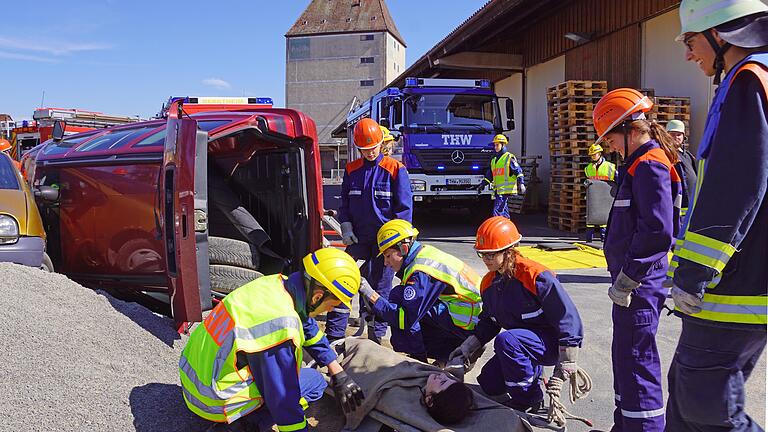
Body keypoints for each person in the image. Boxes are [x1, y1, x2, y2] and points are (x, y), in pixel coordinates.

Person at [666, 2, 768, 431]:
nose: (689, 54)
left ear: (720, 34)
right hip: (745, 281)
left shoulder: (747, 81)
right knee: (688, 396)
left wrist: (693, 272)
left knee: (707, 408)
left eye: (690, 41)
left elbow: (736, 187)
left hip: (734, 288)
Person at [179, 248, 366, 432]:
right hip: (212, 401)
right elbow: (283, 397)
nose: (332, 310)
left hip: (194, 382)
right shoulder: (279, 327)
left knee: (305, 380)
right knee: (311, 383)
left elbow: (307, 326)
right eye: (333, 304)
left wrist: (338, 372)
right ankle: (244, 425)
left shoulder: (276, 285)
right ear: (318, 296)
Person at [592, 88, 683, 431]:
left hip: (640, 286)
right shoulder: (638, 164)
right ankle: (625, 424)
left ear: (630, 129)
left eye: (610, 138)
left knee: (637, 360)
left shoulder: (649, 164)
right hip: (631, 286)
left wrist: (629, 277)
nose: (609, 147)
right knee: (626, 357)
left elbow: (658, 231)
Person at [447, 216, 584, 413]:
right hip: (521, 344)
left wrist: (568, 359)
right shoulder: (488, 284)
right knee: (489, 383)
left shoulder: (535, 276)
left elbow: (567, 317)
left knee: (507, 340)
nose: (486, 260)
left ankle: (530, 399)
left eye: (491, 255)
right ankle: (530, 373)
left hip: (549, 344)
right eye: (482, 254)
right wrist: (466, 349)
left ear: (509, 251)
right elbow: (489, 322)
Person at [328, 118, 413, 343]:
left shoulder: (395, 170)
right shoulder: (352, 170)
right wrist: (345, 226)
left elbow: (404, 211)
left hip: (384, 243)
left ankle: (376, 338)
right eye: (364, 150)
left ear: (381, 143)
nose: (370, 153)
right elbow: (344, 204)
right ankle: (335, 337)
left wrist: (396, 245)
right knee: (340, 279)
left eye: (373, 148)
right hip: (358, 238)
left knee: (380, 287)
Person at [356, 219, 482, 364]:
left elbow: (404, 319)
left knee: (402, 307)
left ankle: (418, 362)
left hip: (468, 324)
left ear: (403, 248)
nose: (386, 263)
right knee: (403, 297)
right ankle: (448, 355)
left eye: (388, 255)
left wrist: (372, 296)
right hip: (473, 316)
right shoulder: (424, 253)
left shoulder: (421, 272)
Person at [477, 134, 526, 218]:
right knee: (503, 211)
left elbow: (518, 171)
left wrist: (521, 183)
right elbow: (490, 175)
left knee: (497, 211)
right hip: (498, 191)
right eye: (494, 145)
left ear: (503, 145)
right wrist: (482, 185)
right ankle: (507, 227)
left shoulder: (509, 158)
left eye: (497, 145)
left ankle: (498, 230)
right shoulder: (494, 160)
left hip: (505, 190)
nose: (495, 147)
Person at [665, 119, 698, 221]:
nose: (676, 137)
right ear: (666, 135)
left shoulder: (688, 156)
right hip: (675, 214)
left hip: (690, 212)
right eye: (672, 134)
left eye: (679, 134)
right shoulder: (664, 154)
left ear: (684, 137)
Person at [584, 143, 617, 242]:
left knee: (604, 221)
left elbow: (617, 181)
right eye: (592, 155)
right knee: (590, 221)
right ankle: (589, 241)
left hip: (606, 198)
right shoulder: (588, 169)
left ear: (600, 153)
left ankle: (604, 241)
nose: (593, 156)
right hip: (593, 198)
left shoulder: (610, 167)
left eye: (595, 154)